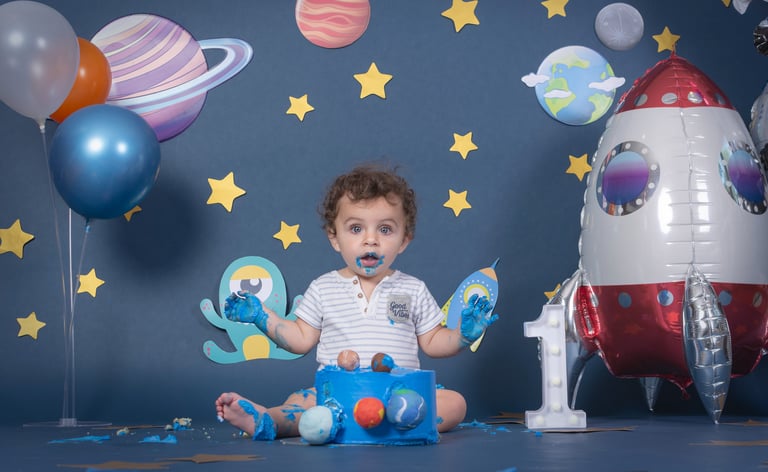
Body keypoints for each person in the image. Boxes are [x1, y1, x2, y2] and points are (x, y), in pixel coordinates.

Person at [215, 164, 497, 440]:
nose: (370, 240)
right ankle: (268, 420)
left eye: (385, 229)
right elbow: (299, 339)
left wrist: (462, 336)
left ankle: (379, 422)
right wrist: (261, 316)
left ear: (404, 240)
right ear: (334, 238)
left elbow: (434, 341)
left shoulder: (413, 289)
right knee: (300, 402)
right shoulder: (323, 288)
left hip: (398, 395)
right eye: (356, 229)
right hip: (337, 394)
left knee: (454, 403)